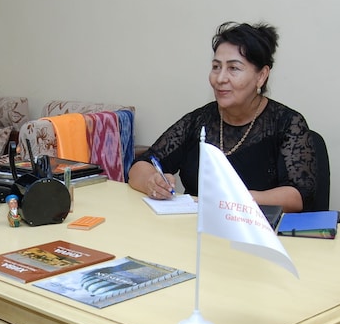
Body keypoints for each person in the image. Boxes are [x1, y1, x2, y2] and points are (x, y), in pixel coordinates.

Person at [129, 21, 315, 213]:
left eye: (233, 68)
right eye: (216, 67)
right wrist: (152, 182)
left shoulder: (287, 123)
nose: (220, 78)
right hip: (197, 227)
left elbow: (298, 196)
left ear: (261, 76)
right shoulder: (198, 121)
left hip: (259, 228)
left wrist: (235, 199)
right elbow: (140, 166)